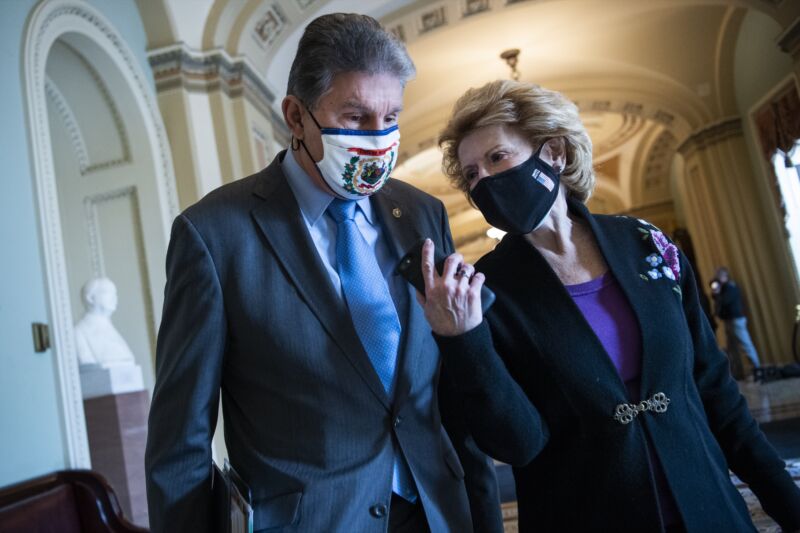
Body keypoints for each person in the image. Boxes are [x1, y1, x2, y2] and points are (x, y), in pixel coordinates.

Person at [144, 13, 502, 533]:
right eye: (356, 118)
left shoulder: (421, 214)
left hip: (438, 510)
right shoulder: (214, 235)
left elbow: (454, 388)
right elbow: (181, 440)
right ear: (296, 116)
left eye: (390, 117)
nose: (378, 139)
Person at [417, 80, 800, 532]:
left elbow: (714, 387)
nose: (485, 181)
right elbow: (517, 444)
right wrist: (466, 341)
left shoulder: (645, 244)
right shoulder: (486, 289)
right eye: (473, 175)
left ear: (554, 152)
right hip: (585, 515)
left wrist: (787, 504)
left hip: (708, 506)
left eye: (497, 157)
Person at [74, 277, 136, 367]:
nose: (114, 298)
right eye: (108, 292)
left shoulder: (110, 328)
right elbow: (87, 363)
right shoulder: (79, 332)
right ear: (90, 298)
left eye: (115, 293)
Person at [712, 267, 761, 379]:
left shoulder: (731, 288)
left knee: (746, 345)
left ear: (725, 277)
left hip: (736, 320)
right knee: (732, 349)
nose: (717, 278)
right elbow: (718, 300)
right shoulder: (723, 288)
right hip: (729, 321)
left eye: (719, 276)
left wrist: (718, 293)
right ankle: (737, 373)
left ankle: (758, 370)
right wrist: (716, 293)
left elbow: (724, 301)